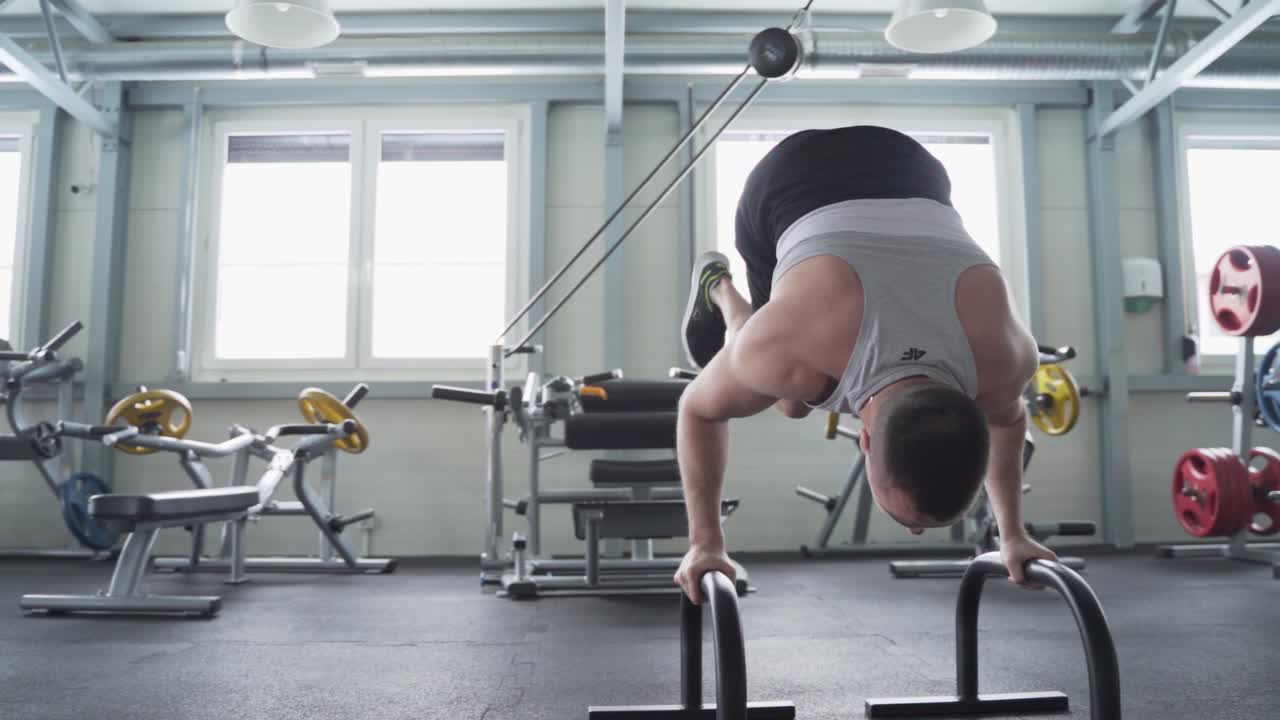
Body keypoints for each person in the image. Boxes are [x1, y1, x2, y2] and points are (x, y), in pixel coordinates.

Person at [674, 125, 1056, 603]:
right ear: (866, 440)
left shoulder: (1004, 361)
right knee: (787, 399)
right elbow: (698, 409)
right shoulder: (787, 346)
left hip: (912, 161)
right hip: (791, 179)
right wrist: (705, 544)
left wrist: (1013, 535)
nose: (914, 534)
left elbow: (1010, 420)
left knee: (793, 397)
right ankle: (717, 286)